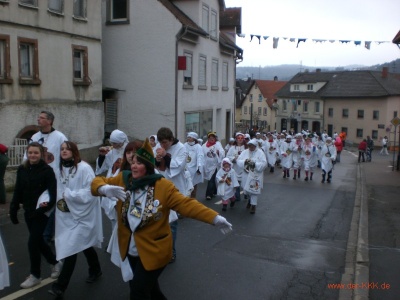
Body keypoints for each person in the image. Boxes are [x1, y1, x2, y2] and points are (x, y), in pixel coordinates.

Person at [91, 138, 232, 299]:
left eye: (139, 163)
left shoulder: (163, 186)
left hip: (154, 249)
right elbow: (96, 181)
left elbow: (187, 205)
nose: (134, 165)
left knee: (138, 290)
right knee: (151, 290)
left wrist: (214, 218)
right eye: (133, 162)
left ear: (149, 167)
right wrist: (103, 188)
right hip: (130, 248)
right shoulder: (124, 179)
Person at [49, 141, 103, 298]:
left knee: (71, 248)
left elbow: (91, 191)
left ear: (74, 151)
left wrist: (71, 196)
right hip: (65, 216)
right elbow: (55, 189)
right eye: (62, 149)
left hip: (82, 214)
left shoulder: (84, 168)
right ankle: (96, 269)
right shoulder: (58, 169)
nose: (64, 151)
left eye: (67, 149)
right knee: (83, 244)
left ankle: (60, 287)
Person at [9, 142, 62, 289]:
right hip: (28, 211)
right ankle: (55, 262)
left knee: (32, 242)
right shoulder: (22, 169)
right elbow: (18, 190)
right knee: (38, 241)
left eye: (36, 153)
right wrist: (13, 208)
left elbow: (53, 195)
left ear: (41, 155)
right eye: (30, 153)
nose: (33, 155)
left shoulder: (47, 171)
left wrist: (42, 209)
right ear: (27, 153)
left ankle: (35, 275)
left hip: (42, 213)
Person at [27, 111, 68, 243]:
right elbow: (27, 157)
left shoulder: (60, 137)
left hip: (54, 177)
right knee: (40, 204)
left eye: (42, 118)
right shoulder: (35, 137)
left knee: (52, 205)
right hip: (38, 178)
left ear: (49, 121)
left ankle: (47, 234)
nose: (38, 119)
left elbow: (65, 156)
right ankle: (41, 232)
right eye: (38, 117)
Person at [155, 127, 188, 263]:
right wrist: (157, 159)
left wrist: (165, 156)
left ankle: (171, 250)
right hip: (160, 186)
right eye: (161, 143)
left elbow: (177, 167)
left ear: (171, 139)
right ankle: (159, 249)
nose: (163, 146)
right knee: (158, 220)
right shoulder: (159, 146)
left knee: (172, 222)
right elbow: (155, 165)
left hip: (175, 187)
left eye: (165, 143)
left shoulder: (181, 148)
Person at [96, 129, 129, 233]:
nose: (113, 145)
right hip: (111, 183)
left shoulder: (129, 151)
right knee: (113, 217)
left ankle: (123, 243)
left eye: (115, 143)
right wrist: (102, 156)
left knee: (123, 216)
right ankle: (114, 244)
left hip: (123, 185)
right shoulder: (111, 152)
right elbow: (103, 167)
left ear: (122, 142)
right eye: (112, 143)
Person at [236, 139, 267, 214]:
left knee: (254, 191)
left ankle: (253, 206)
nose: (251, 147)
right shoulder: (245, 152)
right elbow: (239, 160)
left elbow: (264, 163)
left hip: (255, 176)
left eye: (252, 146)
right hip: (246, 174)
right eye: (249, 146)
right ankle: (250, 201)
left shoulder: (260, 153)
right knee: (246, 190)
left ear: (255, 146)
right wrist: (245, 162)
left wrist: (254, 163)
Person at [202, 131, 225, 200]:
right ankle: (214, 191)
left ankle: (208, 194)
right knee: (211, 178)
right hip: (207, 166)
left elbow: (222, 152)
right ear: (208, 138)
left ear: (215, 138)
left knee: (211, 179)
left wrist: (219, 153)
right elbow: (201, 154)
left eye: (213, 137)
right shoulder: (204, 146)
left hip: (215, 166)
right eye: (210, 138)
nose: (212, 139)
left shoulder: (217, 144)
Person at [226, 132, 247, 201]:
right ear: (236, 139)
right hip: (235, 168)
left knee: (245, 182)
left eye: (241, 138)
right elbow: (228, 156)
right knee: (236, 182)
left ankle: (246, 193)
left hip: (244, 168)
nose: (240, 139)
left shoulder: (246, 148)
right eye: (238, 138)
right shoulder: (232, 148)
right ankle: (237, 196)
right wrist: (233, 159)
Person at [184, 132, 204, 198]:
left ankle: (192, 200)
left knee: (193, 186)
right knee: (185, 185)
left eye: (190, 137)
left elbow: (200, 157)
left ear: (194, 138)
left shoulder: (198, 147)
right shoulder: (185, 145)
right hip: (185, 169)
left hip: (193, 170)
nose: (188, 138)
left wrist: (199, 167)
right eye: (188, 137)